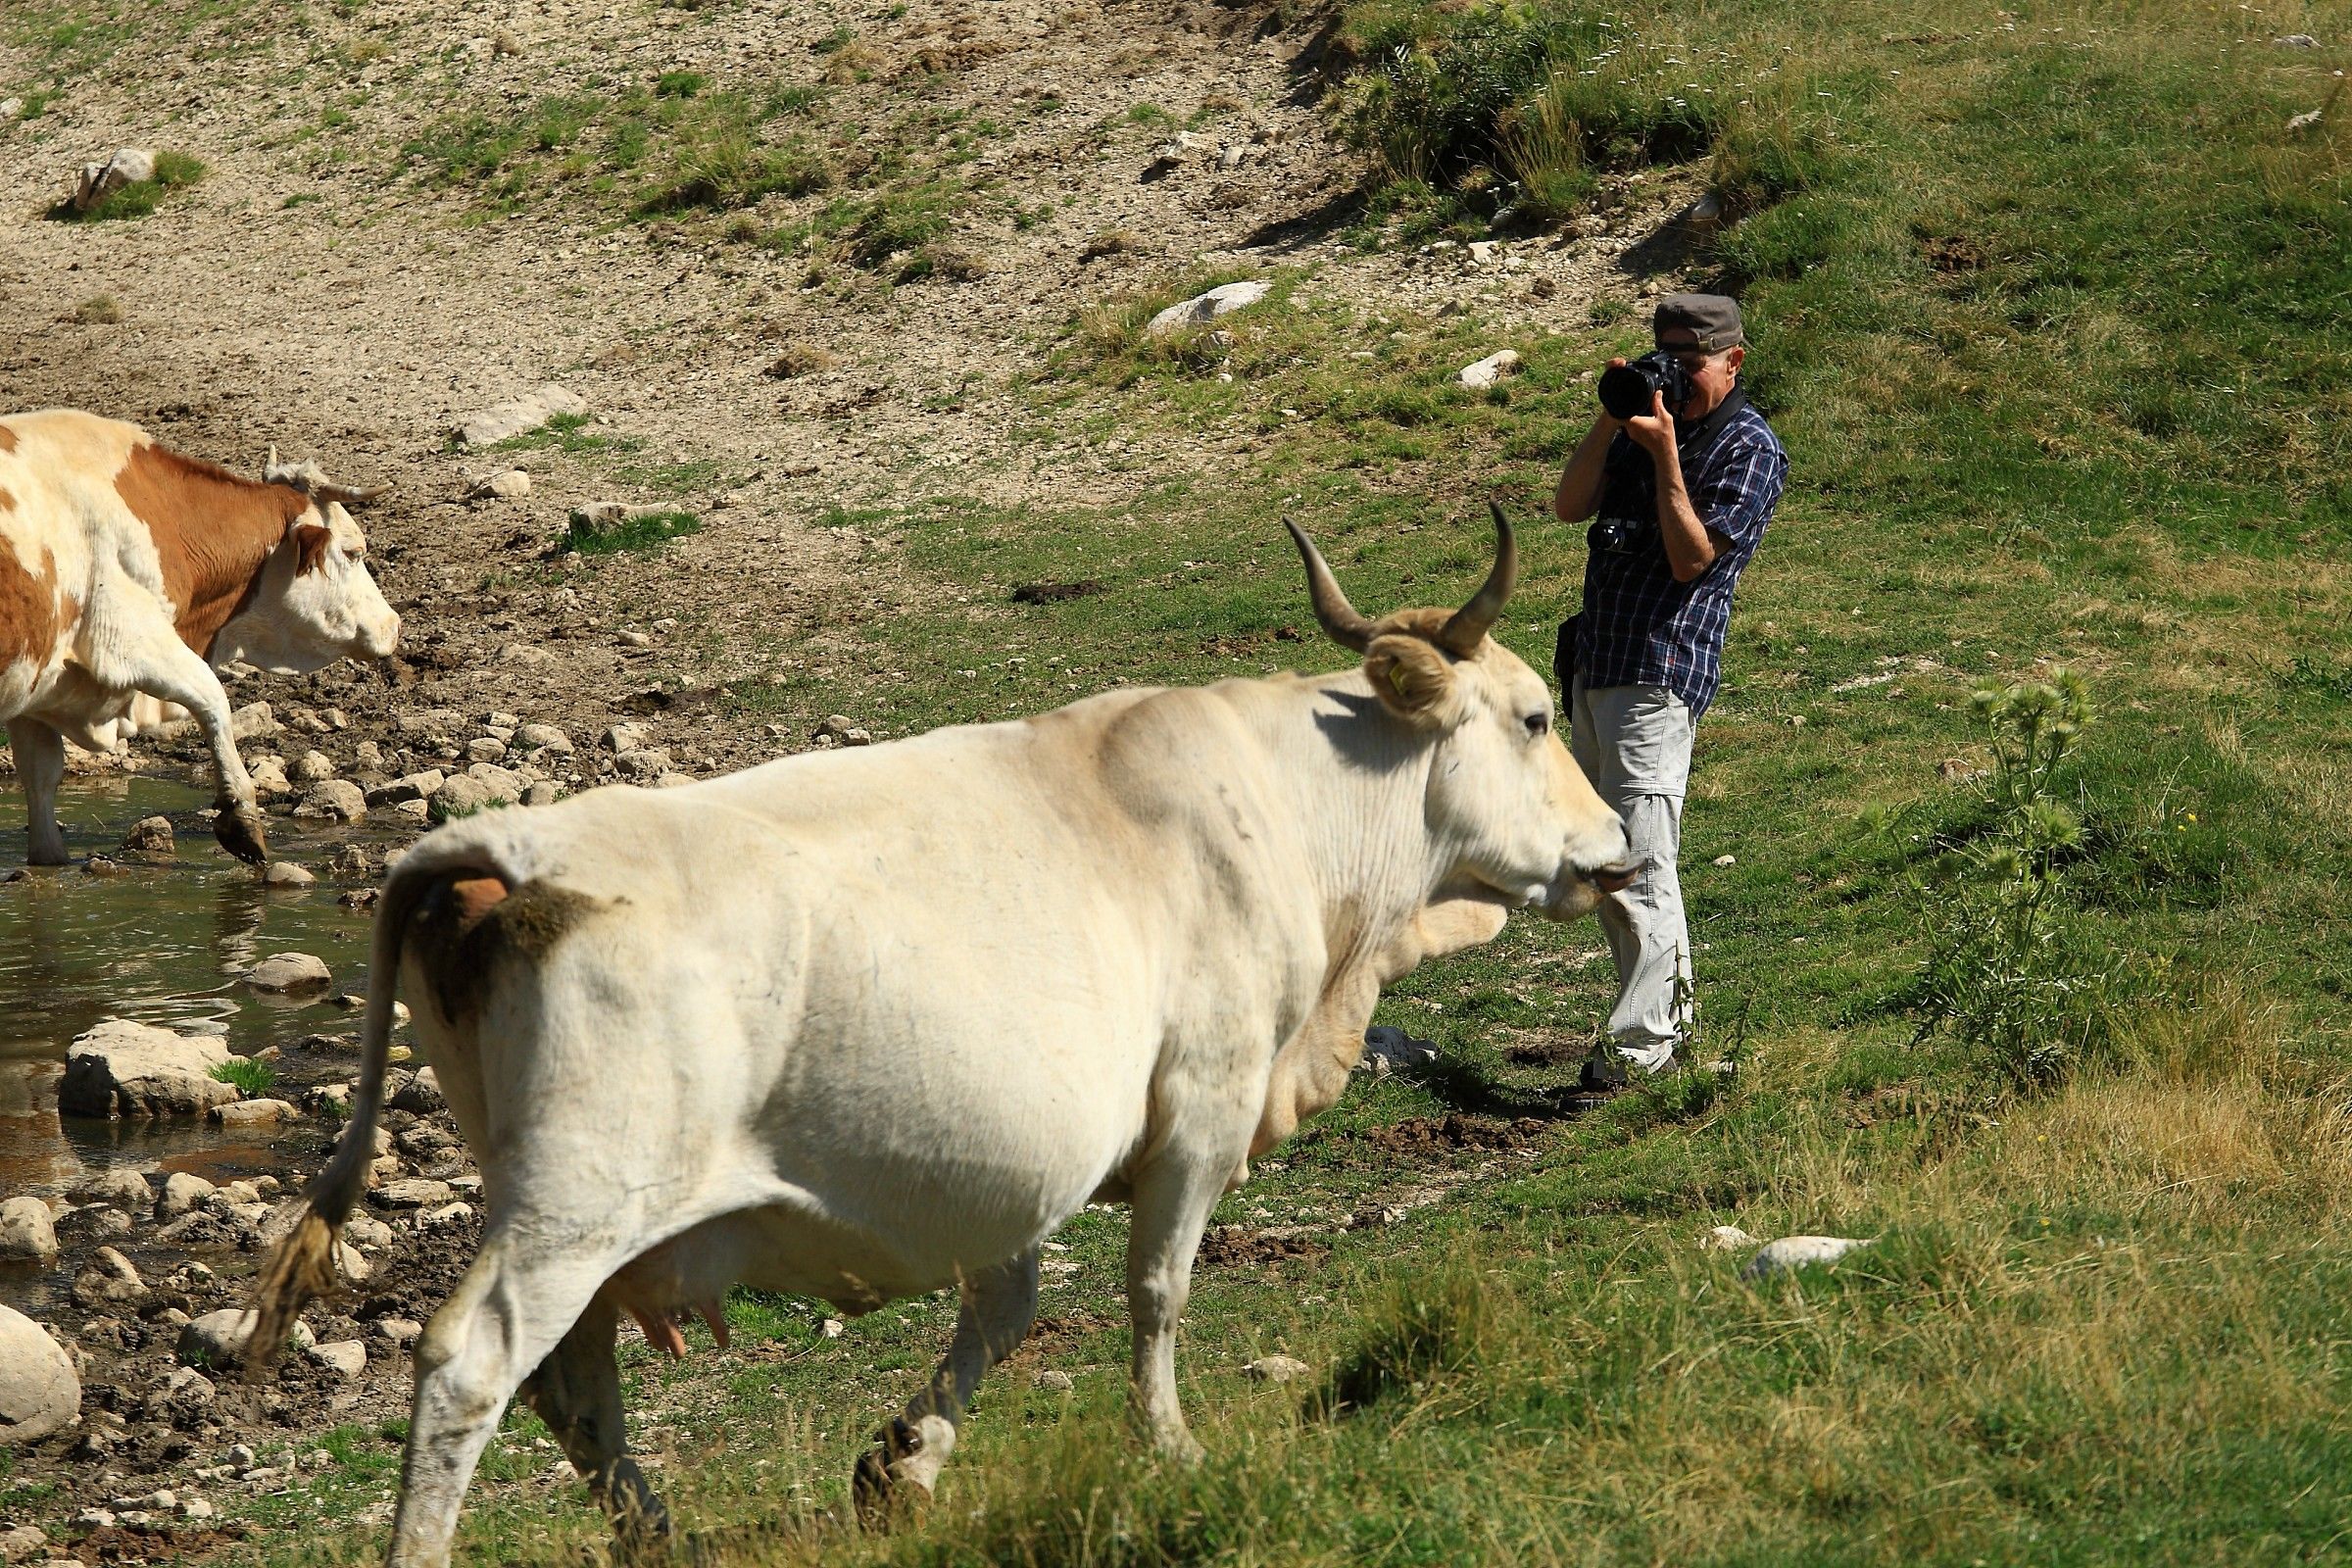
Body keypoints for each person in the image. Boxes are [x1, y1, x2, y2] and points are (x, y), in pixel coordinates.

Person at [1551, 293, 1788, 1086]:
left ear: (1734, 360)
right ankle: (1666, 1030)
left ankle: (1641, 1049)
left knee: (1640, 860)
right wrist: (1613, 416)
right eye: (1668, 359)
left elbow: (1693, 560)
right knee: (1607, 860)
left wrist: (1664, 458)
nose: (1677, 378)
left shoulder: (1749, 447)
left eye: (1692, 363)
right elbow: (1570, 505)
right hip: (1597, 663)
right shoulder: (1644, 422)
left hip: (1660, 670)